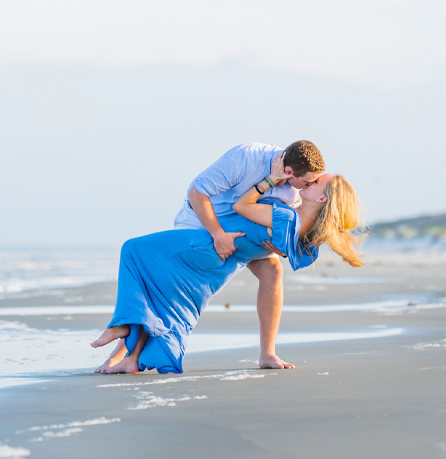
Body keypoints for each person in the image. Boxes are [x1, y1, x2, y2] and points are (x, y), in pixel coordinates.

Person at [91, 153, 363, 374]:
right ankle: (132, 358)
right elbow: (288, 250)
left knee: (132, 250)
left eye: (315, 183)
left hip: (206, 244)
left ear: (322, 198)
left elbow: (242, 207)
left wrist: (266, 183)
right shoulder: (299, 225)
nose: (308, 184)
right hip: (221, 256)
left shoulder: (288, 218)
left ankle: (123, 324)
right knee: (162, 295)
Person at [174, 140, 326, 369]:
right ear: (289, 171)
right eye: (307, 181)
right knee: (177, 286)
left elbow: (285, 222)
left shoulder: (296, 189)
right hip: (201, 223)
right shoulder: (246, 158)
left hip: (245, 230)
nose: (311, 185)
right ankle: (126, 351)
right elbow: (197, 193)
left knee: (273, 271)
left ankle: (268, 354)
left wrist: (282, 248)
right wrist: (218, 234)